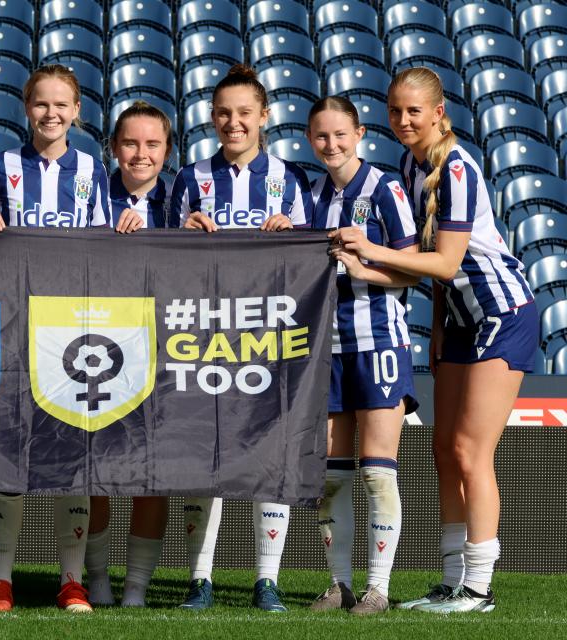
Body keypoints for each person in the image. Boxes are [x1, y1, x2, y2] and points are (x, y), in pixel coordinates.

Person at [331, 66, 537, 613]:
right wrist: (440, 326)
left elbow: (445, 262)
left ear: (438, 113)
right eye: (395, 110)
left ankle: (478, 587)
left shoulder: (457, 169)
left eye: (413, 111)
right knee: (443, 450)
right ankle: (450, 582)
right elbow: (438, 270)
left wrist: (370, 251)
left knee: (470, 451)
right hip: (461, 321)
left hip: (502, 314)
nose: (402, 120)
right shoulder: (410, 163)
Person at [168, 64, 312, 612]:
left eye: (244, 113)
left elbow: (311, 260)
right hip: (204, 338)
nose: (234, 122)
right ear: (212, 118)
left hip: (267, 339)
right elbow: (162, 261)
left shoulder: (289, 179)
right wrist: (182, 235)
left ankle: (266, 580)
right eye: (224, 113)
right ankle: (199, 578)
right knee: (204, 454)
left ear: (264, 116)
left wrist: (292, 235)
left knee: (268, 453)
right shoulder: (190, 178)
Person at [0, 63, 111, 613]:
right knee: (8, 453)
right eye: (41, 103)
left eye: (61, 105)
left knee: (70, 456)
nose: (50, 114)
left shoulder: (92, 168)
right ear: (26, 107)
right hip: (13, 328)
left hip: (72, 332)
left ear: (76, 111)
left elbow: (103, 248)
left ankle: (71, 580)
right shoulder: (0, 165)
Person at [305, 96, 419, 615]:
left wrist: (363, 264)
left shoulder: (384, 188)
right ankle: (340, 585)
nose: (331, 144)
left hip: (378, 343)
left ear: (359, 135)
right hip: (325, 348)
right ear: (310, 140)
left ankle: (379, 589)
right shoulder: (311, 195)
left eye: (340, 134)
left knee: (377, 471)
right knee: (331, 476)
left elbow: (413, 269)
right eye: (321, 136)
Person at [84, 100, 172, 608]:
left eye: (152, 144)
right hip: (95, 346)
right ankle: (96, 579)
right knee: (94, 467)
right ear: (114, 148)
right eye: (131, 143)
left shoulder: (182, 198)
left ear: (167, 151)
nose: (141, 154)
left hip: (164, 349)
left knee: (153, 471)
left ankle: (136, 586)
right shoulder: (91, 194)